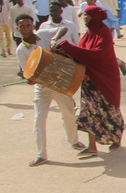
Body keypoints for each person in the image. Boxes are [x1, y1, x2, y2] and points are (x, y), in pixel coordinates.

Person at [52, 5, 124, 156]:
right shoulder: (88, 34)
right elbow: (82, 55)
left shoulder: (104, 33)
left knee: (109, 109)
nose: (84, 18)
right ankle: (92, 146)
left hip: (104, 79)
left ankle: (116, 137)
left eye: (86, 15)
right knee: (89, 112)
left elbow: (97, 55)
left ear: (94, 17)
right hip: (89, 80)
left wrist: (68, 47)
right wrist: (63, 51)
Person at [15, 14, 83, 167]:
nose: (25, 29)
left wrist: (54, 39)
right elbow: (28, 73)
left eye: (28, 25)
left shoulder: (43, 35)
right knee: (39, 119)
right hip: (42, 88)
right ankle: (41, 155)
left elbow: (63, 29)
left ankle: (73, 141)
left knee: (69, 114)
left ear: (33, 26)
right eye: (22, 26)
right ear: (17, 29)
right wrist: (31, 79)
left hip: (58, 84)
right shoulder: (21, 50)